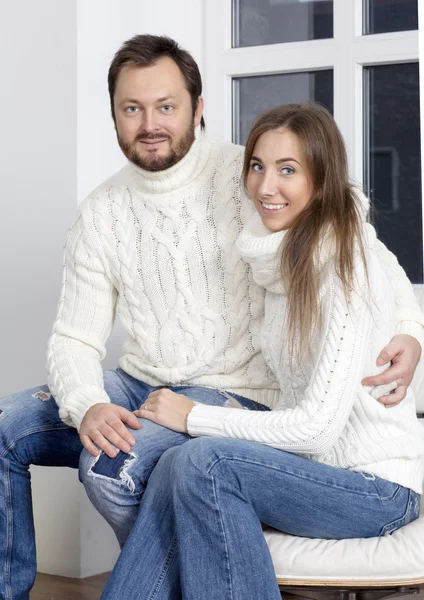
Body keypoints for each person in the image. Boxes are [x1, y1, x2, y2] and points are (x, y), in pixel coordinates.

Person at [0, 36, 422, 599]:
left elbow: (353, 233)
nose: (150, 123)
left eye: (167, 106)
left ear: (198, 109)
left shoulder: (251, 175)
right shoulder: (101, 213)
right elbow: (74, 337)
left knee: (121, 470)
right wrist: (88, 404)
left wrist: (412, 329)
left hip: (235, 392)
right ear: (114, 116)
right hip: (142, 381)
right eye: (132, 108)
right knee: (5, 427)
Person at [98, 102, 424, 600]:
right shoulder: (279, 252)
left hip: (377, 489)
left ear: (322, 179)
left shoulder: (341, 263)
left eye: (288, 170)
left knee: (201, 461)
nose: (266, 187)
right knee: (173, 467)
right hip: (319, 474)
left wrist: (193, 416)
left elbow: (316, 428)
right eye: (257, 166)